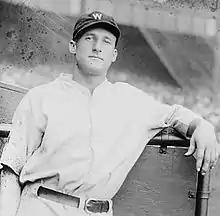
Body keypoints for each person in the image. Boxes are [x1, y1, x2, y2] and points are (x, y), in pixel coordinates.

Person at [0, 11, 219, 216]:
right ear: (73, 46)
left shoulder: (130, 100)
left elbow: (174, 114)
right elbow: (10, 171)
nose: (97, 47)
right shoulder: (41, 97)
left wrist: (203, 127)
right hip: (42, 206)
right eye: (89, 38)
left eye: (106, 41)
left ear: (113, 54)